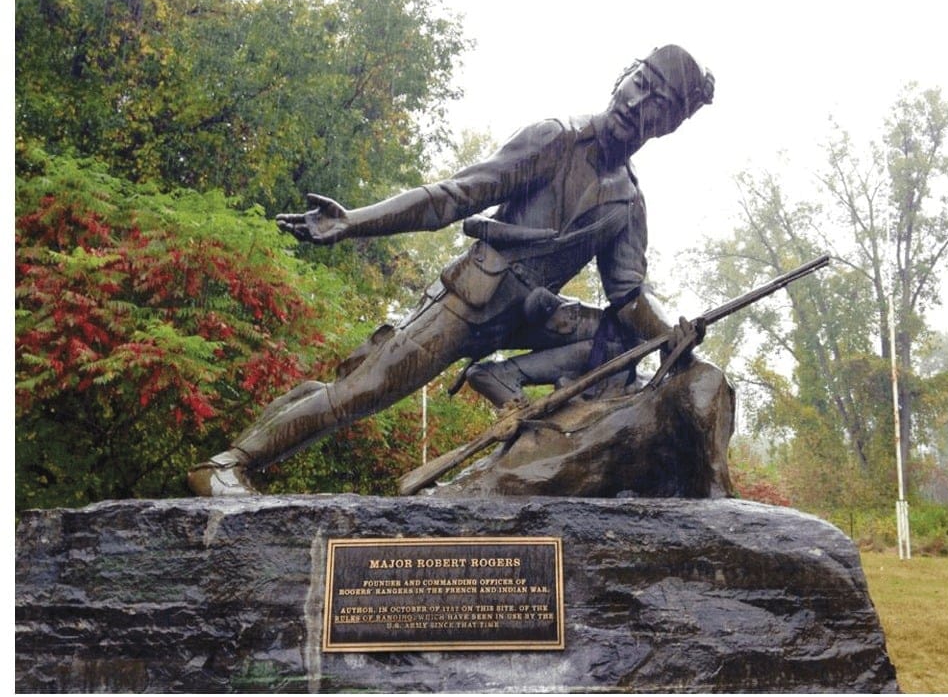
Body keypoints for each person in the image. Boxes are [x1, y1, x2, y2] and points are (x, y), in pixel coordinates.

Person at [187, 44, 715, 496]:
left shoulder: (628, 204)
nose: (636, 102)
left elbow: (628, 295)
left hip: (530, 315)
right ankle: (226, 464)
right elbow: (453, 197)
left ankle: (538, 425)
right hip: (471, 301)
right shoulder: (556, 140)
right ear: (623, 76)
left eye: (657, 102)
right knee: (359, 394)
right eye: (639, 84)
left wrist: (673, 335)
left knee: (624, 338)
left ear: (667, 125)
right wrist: (353, 223)